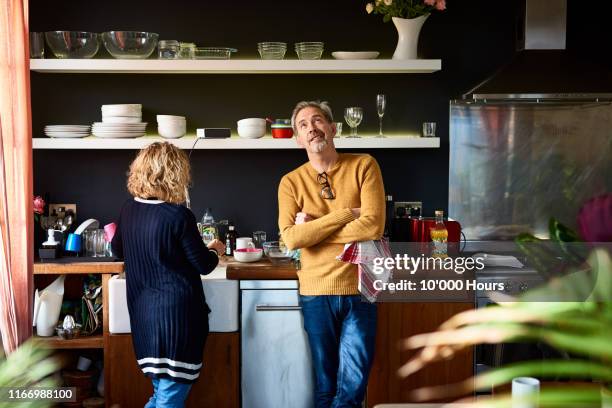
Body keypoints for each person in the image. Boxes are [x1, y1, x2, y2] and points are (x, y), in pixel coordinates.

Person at [278, 101, 385, 407]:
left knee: (352, 388)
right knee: (326, 386)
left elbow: (373, 225)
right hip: (315, 291)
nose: (312, 128)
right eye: (303, 125)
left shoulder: (364, 165)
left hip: (360, 289)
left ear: (333, 127)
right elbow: (291, 238)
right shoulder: (290, 182)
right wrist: (346, 214)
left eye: (318, 120)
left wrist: (315, 230)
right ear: (298, 139)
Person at [111, 142, 225, 407]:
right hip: (177, 322)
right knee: (168, 400)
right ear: (175, 174)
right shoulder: (179, 216)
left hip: (144, 321)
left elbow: (117, 250)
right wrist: (216, 250)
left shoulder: (128, 210)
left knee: (161, 394)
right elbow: (204, 265)